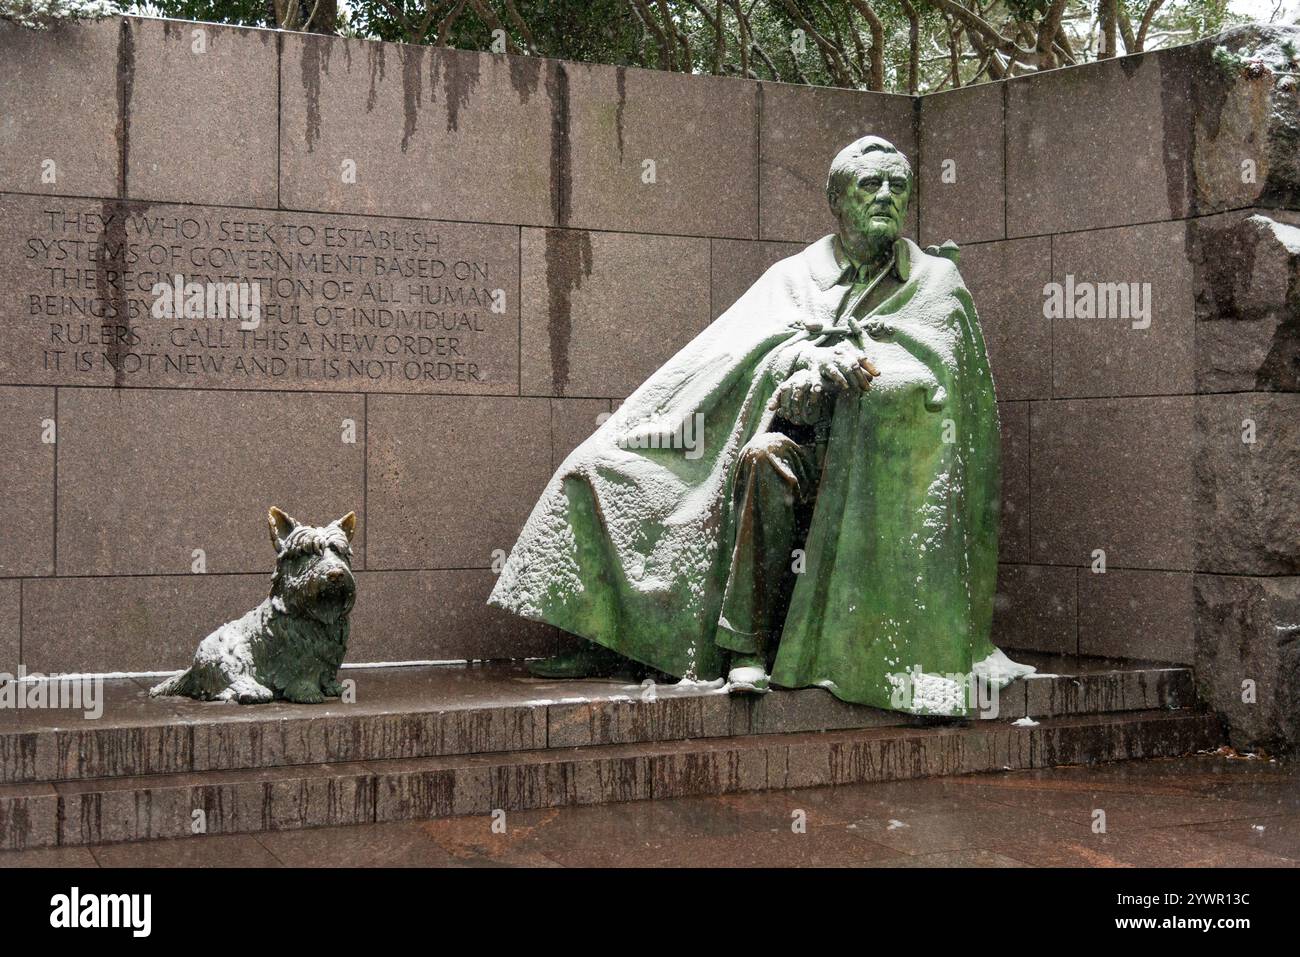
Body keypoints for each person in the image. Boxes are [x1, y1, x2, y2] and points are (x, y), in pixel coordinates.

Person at [489, 135, 1031, 716]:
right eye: (869, 185)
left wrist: (855, 377)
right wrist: (798, 366)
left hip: (879, 471)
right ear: (838, 201)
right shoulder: (793, 277)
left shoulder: (934, 282)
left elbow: (939, 387)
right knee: (642, 465)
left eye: (897, 186)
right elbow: (728, 358)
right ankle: (677, 643)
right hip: (791, 445)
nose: (885, 197)